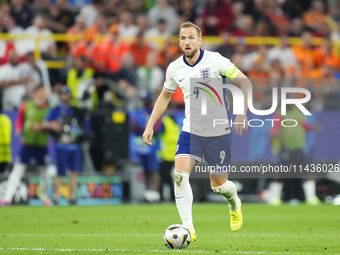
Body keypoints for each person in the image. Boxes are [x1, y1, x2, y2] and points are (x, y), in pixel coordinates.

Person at [142, 22, 253, 242]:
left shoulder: (215, 60)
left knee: (219, 186)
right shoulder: (174, 68)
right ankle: (188, 229)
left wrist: (242, 113)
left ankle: (234, 203)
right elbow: (165, 96)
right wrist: (150, 124)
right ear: (179, 41)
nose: (187, 42)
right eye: (183, 38)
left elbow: (245, 82)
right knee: (180, 175)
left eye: (191, 37)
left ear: (200, 40)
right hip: (191, 130)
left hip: (218, 131)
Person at [0, 84, 51, 206]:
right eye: (43, 92)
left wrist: (43, 127)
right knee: (18, 169)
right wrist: (18, 129)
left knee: (44, 173)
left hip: (41, 144)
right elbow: (20, 119)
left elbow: (53, 123)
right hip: (28, 143)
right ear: (36, 92)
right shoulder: (27, 106)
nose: (45, 95)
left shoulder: (49, 108)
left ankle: (46, 198)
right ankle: (8, 197)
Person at [44, 86, 85, 205]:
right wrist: (54, 126)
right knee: (60, 172)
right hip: (61, 145)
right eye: (62, 94)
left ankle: (72, 197)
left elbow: (83, 126)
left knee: (74, 172)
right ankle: (56, 197)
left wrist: (79, 131)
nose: (65, 96)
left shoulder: (76, 111)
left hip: (74, 145)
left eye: (66, 94)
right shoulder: (55, 110)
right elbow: (46, 123)